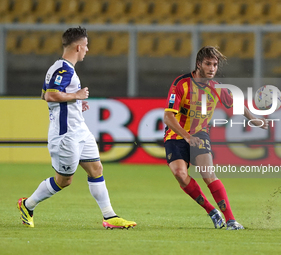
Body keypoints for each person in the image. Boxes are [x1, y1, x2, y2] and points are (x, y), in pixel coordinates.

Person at [17, 26, 136, 229]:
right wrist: (77, 96)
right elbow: (50, 95)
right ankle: (27, 205)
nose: (88, 50)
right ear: (79, 47)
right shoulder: (63, 69)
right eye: (87, 45)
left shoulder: (60, 68)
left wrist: (75, 103)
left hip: (79, 129)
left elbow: (45, 94)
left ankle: (109, 217)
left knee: (96, 169)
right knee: (64, 181)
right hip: (65, 135)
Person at [163, 46, 268, 230]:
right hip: (176, 134)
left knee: (208, 174)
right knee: (180, 174)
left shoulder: (217, 88)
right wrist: (186, 137)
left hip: (200, 134)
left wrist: (254, 119)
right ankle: (211, 210)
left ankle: (231, 220)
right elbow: (168, 117)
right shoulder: (181, 84)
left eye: (215, 64)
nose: (212, 68)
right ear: (198, 64)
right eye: (208, 64)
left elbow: (236, 103)